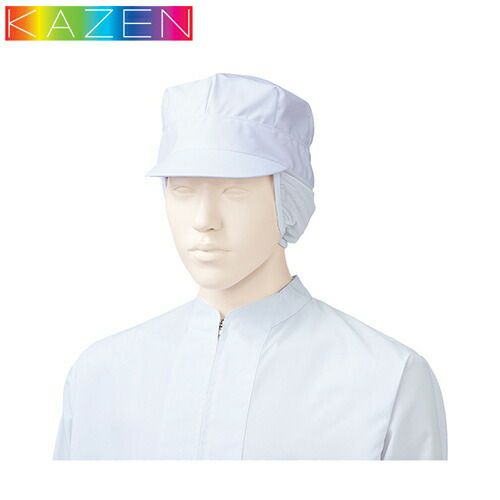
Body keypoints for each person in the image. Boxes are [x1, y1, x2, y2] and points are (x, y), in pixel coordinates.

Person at [53, 73, 447, 460]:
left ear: (288, 200)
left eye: (234, 191)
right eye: (184, 190)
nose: (204, 219)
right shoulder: (99, 377)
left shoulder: (386, 382)